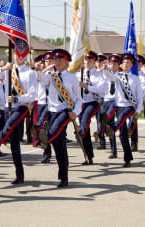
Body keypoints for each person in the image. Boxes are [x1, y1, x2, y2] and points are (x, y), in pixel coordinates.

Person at [0, 53, 36, 185]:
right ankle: (20, 175)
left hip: (21, 107)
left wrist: (17, 98)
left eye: (21, 55)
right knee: (14, 143)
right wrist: (2, 69)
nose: (19, 58)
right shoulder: (8, 71)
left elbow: (33, 94)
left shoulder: (30, 73)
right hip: (8, 108)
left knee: (9, 126)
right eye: (16, 55)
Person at [36, 49, 82, 187]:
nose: (57, 62)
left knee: (54, 131)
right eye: (55, 60)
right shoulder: (51, 76)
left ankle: (44, 139)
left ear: (67, 61)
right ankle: (64, 176)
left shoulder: (73, 78)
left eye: (59, 60)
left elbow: (79, 99)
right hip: (52, 111)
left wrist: (76, 112)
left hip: (65, 111)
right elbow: (42, 79)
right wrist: (37, 70)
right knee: (59, 144)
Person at [104, 53, 143, 167]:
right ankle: (127, 158)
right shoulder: (117, 76)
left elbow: (139, 96)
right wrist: (106, 68)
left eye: (128, 63)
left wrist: (138, 110)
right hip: (118, 106)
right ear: (121, 65)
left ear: (132, 65)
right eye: (124, 62)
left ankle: (113, 129)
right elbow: (109, 76)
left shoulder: (135, 79)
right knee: (123, 134)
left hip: (129, 106)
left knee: (119, 121)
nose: (126, 64)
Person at [76, 51, 107, 165]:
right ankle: (88, 156)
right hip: (81, 103)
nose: (87, 62)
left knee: (85, 120)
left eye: (90, 60)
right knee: (86, 130)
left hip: (93, 102)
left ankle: (79, 133)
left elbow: (102, 90)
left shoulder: (99, 75)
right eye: (86, 60)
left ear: (94, 62)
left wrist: (87, 86)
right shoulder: (79, 74)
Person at [101, 55, 120, 159]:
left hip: (115, 101)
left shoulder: (120, 75)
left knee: (107, 119)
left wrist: (105, 71)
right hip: (106, 100)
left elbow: (112, 77)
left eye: (115, 64)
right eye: (111, 64)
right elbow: (101, 87)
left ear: (118, 66)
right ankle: (113, 151)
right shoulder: (104, 75)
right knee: (109, 125)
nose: (113, 66)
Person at [127, 55, 145, 152]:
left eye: (140, 63)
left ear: (142, 65)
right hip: (126, 101)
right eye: (137, 63)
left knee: (133, 121)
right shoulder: (128, 74)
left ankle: (134, 144)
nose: (138, 65)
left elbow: (142, 91)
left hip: (136, 101)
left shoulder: (143, 77)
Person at [93, 54, 107, 150]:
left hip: (103, 99)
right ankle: (102, 142)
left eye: (100, 62)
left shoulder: (105, 73)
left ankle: (102, 135)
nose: (98, 63)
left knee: (103, 120)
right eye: (97, 62)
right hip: (95, 98)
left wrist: (103, 69)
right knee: (99, 120)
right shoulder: (94, 72)